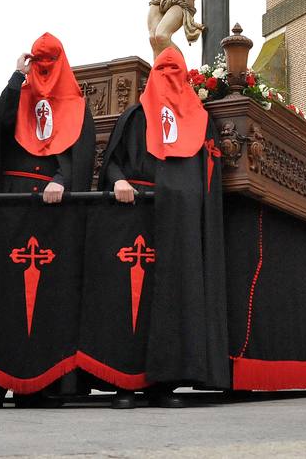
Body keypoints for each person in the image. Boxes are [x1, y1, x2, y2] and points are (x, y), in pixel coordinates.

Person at [0, 34, 96, 411]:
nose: (43, 71)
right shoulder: (18, 96)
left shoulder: (76, 105)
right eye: (37, 63)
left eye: (49, 63)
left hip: (52, 213)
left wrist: (61, 180)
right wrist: (16, 79)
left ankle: (39, 386)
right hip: (7, 207)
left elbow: (79, 156)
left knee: (47, 300)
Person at [88, 45, 229, 409]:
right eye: (161, 71)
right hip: (136, 218)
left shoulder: (200, 120)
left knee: (172, 302)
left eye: (174, 71)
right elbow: (112, 162)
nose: (167, 78)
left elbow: (208, 175)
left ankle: (163, 384)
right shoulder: (135, 116)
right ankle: (124, 383)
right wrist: (119, 181)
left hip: (180, 225)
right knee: (130, 302)